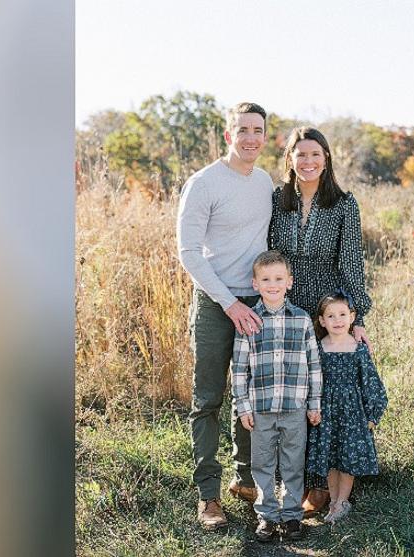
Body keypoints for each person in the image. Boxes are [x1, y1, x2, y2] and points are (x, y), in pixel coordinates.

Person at [176, 102, 273, 530]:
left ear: (265, 136)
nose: (250, 137)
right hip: (217, 305)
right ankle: (208, 497)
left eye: (258, 130)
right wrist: (228, 303)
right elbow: (189, 253)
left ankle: (246, 481)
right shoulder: (204, 183)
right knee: (209, 399)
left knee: (250, 398)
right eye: (243, 129)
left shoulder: (266, 181)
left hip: (255, 305)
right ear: (227, 134)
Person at [267, 126, 372, 514]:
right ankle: (287, 481)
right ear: (289, 159)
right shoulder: (277, 200)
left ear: (326, 159)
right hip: (286, 304)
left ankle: (323, 485)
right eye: (301, 154)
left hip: (326, 308)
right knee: (290, 393)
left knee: (326, 395)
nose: (308, 162)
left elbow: (350, 265)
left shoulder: (344, 204)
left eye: (316, 154)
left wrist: (357, 316)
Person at [231, 251, 322, 542]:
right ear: (255, 284)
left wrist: (314, 403)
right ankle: (268, 515)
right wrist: (243, 407)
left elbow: (314, 365)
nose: (273, 284)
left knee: (294, 462)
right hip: (261, 407)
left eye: (279, 278)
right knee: (263, 464)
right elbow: (239, 368)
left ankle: (292, 515)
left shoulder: (302, 320)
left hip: (295, 406)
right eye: (266, 279)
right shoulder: (249, 321)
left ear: (290, 282)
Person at [305, 291, 388, 524]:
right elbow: (312, 380)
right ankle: (333, 500)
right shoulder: (319, 348)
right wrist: (312, 407)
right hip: (326, 411)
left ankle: (343, 501)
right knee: (330, 456)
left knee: (347, 457)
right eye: (331, 316)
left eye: (342, 314)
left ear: (352, 317)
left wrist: (372, 415)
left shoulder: (358, 348)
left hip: (352, 413)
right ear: (322, 321)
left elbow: (371, 382)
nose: (337, 320)